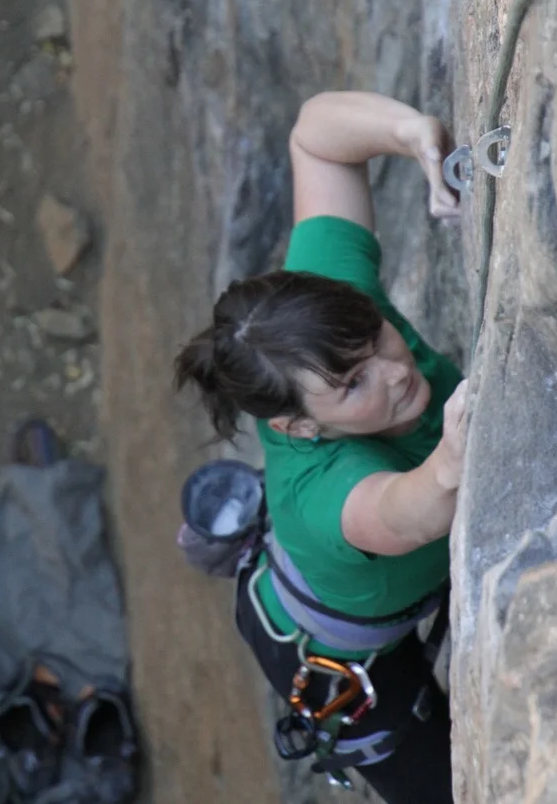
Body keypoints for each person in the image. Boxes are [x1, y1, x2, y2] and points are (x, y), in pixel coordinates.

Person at [174, 91, 469, 802]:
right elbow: (412, 509)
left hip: (346, 590)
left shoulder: (333, 316)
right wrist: (456, 447)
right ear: (299, 427)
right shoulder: (328, 496)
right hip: (339, 660)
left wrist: (412, 135)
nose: (396, 372)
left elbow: (316, 136)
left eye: (377, 336)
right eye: (355, 382)